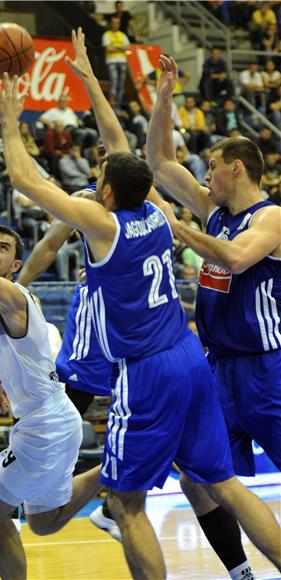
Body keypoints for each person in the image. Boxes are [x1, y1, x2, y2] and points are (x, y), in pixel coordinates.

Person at [0, 29, 281, 579]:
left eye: (98, 175)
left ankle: (108, 484)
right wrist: (92, 82)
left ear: (104, 191)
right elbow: (118, 141)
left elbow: (25, 177)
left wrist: (8, 118)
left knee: (126, 505)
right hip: (191, 354)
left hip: (146, 369)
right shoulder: (150, 206)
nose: (96, 176)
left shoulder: (102, 222)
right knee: (223, 483)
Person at [148, 54, 281, 577]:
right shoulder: (216, 212)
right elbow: (160, 163)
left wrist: (175, 226)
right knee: (197, 478)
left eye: (211, 167)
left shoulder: (271, 217)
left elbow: (233, 256)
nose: (204, 174)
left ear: (237, 168)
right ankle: (239, 572)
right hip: (219, 368)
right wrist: (164, 94)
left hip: (267, 368)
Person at [0, 157, 103, 578]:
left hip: (45, 426)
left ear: (16, 267)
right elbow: (7, 350)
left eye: (3, 248)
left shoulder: (14, 297)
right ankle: (114, 468)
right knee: (43, 521)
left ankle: (121, 466)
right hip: (52, 420)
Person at [102, 16, 130, 109]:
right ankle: (112, 105)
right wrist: (121, 47)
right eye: (114, 23)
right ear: (111, 23)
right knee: (113, 83)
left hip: (122, 61)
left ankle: (118, 106)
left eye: (117, 23)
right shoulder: (107, 34)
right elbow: (109, 49)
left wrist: (115, 47)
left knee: (121, 85)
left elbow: (128, 47)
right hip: (112, 61)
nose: (115, 25)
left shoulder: (122, 35)